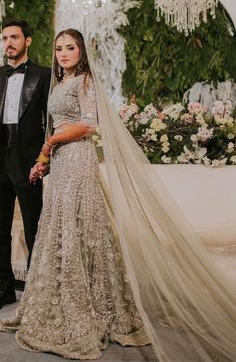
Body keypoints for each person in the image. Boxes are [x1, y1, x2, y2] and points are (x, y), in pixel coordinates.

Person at [0, 29, 236, 362]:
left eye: (70, 48)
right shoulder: (57, 84)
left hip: (78, 159)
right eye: (59, 49)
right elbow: (52, 128)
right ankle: (60, 295)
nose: (63, 53)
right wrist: (42, 160)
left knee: (79, 226)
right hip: (60, 161)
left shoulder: (84, 82)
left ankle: (91, 304)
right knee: (60, 227)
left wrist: (52, 144)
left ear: (81, 52)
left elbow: (89, 124)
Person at [0, 18, 51, 309]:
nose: (9, 43)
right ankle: (4, 289)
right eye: (5, 38)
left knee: (35, 227)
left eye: (14, 37)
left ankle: (36, 290)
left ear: (27, 40)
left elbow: (51, 121)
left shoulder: (44, 75)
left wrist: (44, 159)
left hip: (28, 157)